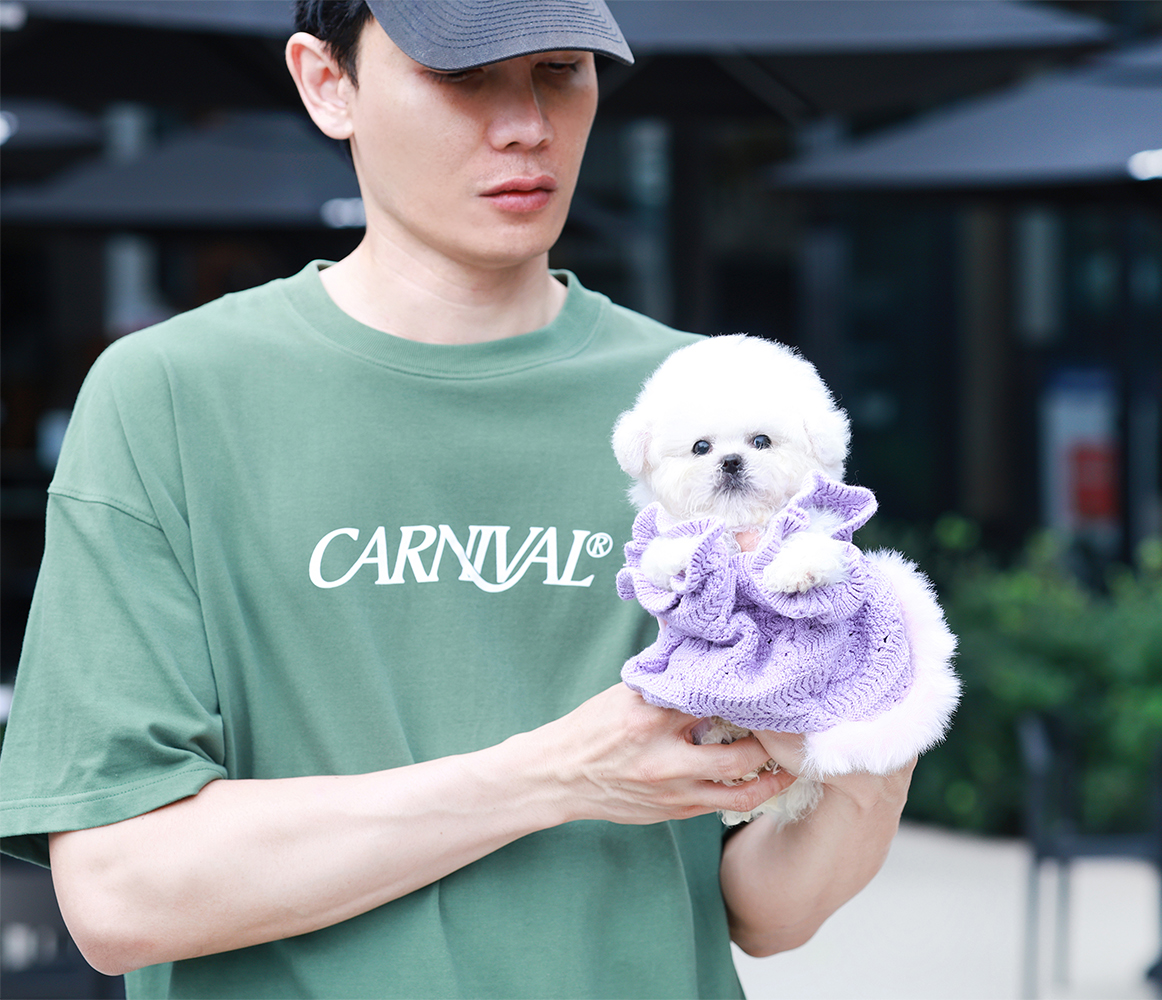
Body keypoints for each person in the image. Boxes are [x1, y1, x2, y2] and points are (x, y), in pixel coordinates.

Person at [0, 2, 917, 997]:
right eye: (462, 75)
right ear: (327, 82)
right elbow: (120, 894)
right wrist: (554, 776)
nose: (527, 124)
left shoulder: (704, 407)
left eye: (561, 69)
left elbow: (763, 909)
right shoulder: (174, 395)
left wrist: (878, 748)